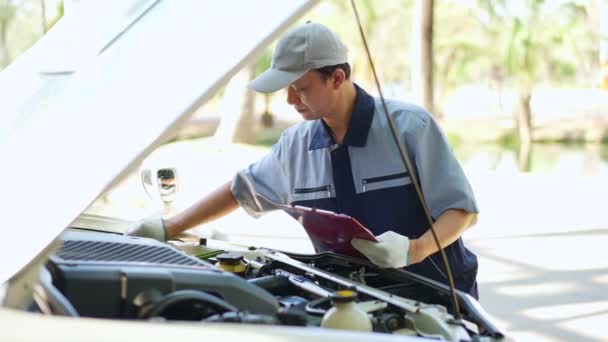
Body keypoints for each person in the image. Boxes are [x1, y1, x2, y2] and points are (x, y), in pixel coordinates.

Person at [128, 22, 481, 299]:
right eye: (285, 89)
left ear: (337, 78)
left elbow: (462, 211)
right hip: (349, 297)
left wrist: (415, 249)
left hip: (435, 298)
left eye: (300, 87)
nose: (289, 100)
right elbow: (241, 191)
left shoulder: (410, 128)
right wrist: (167, 228)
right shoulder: (295, 144)